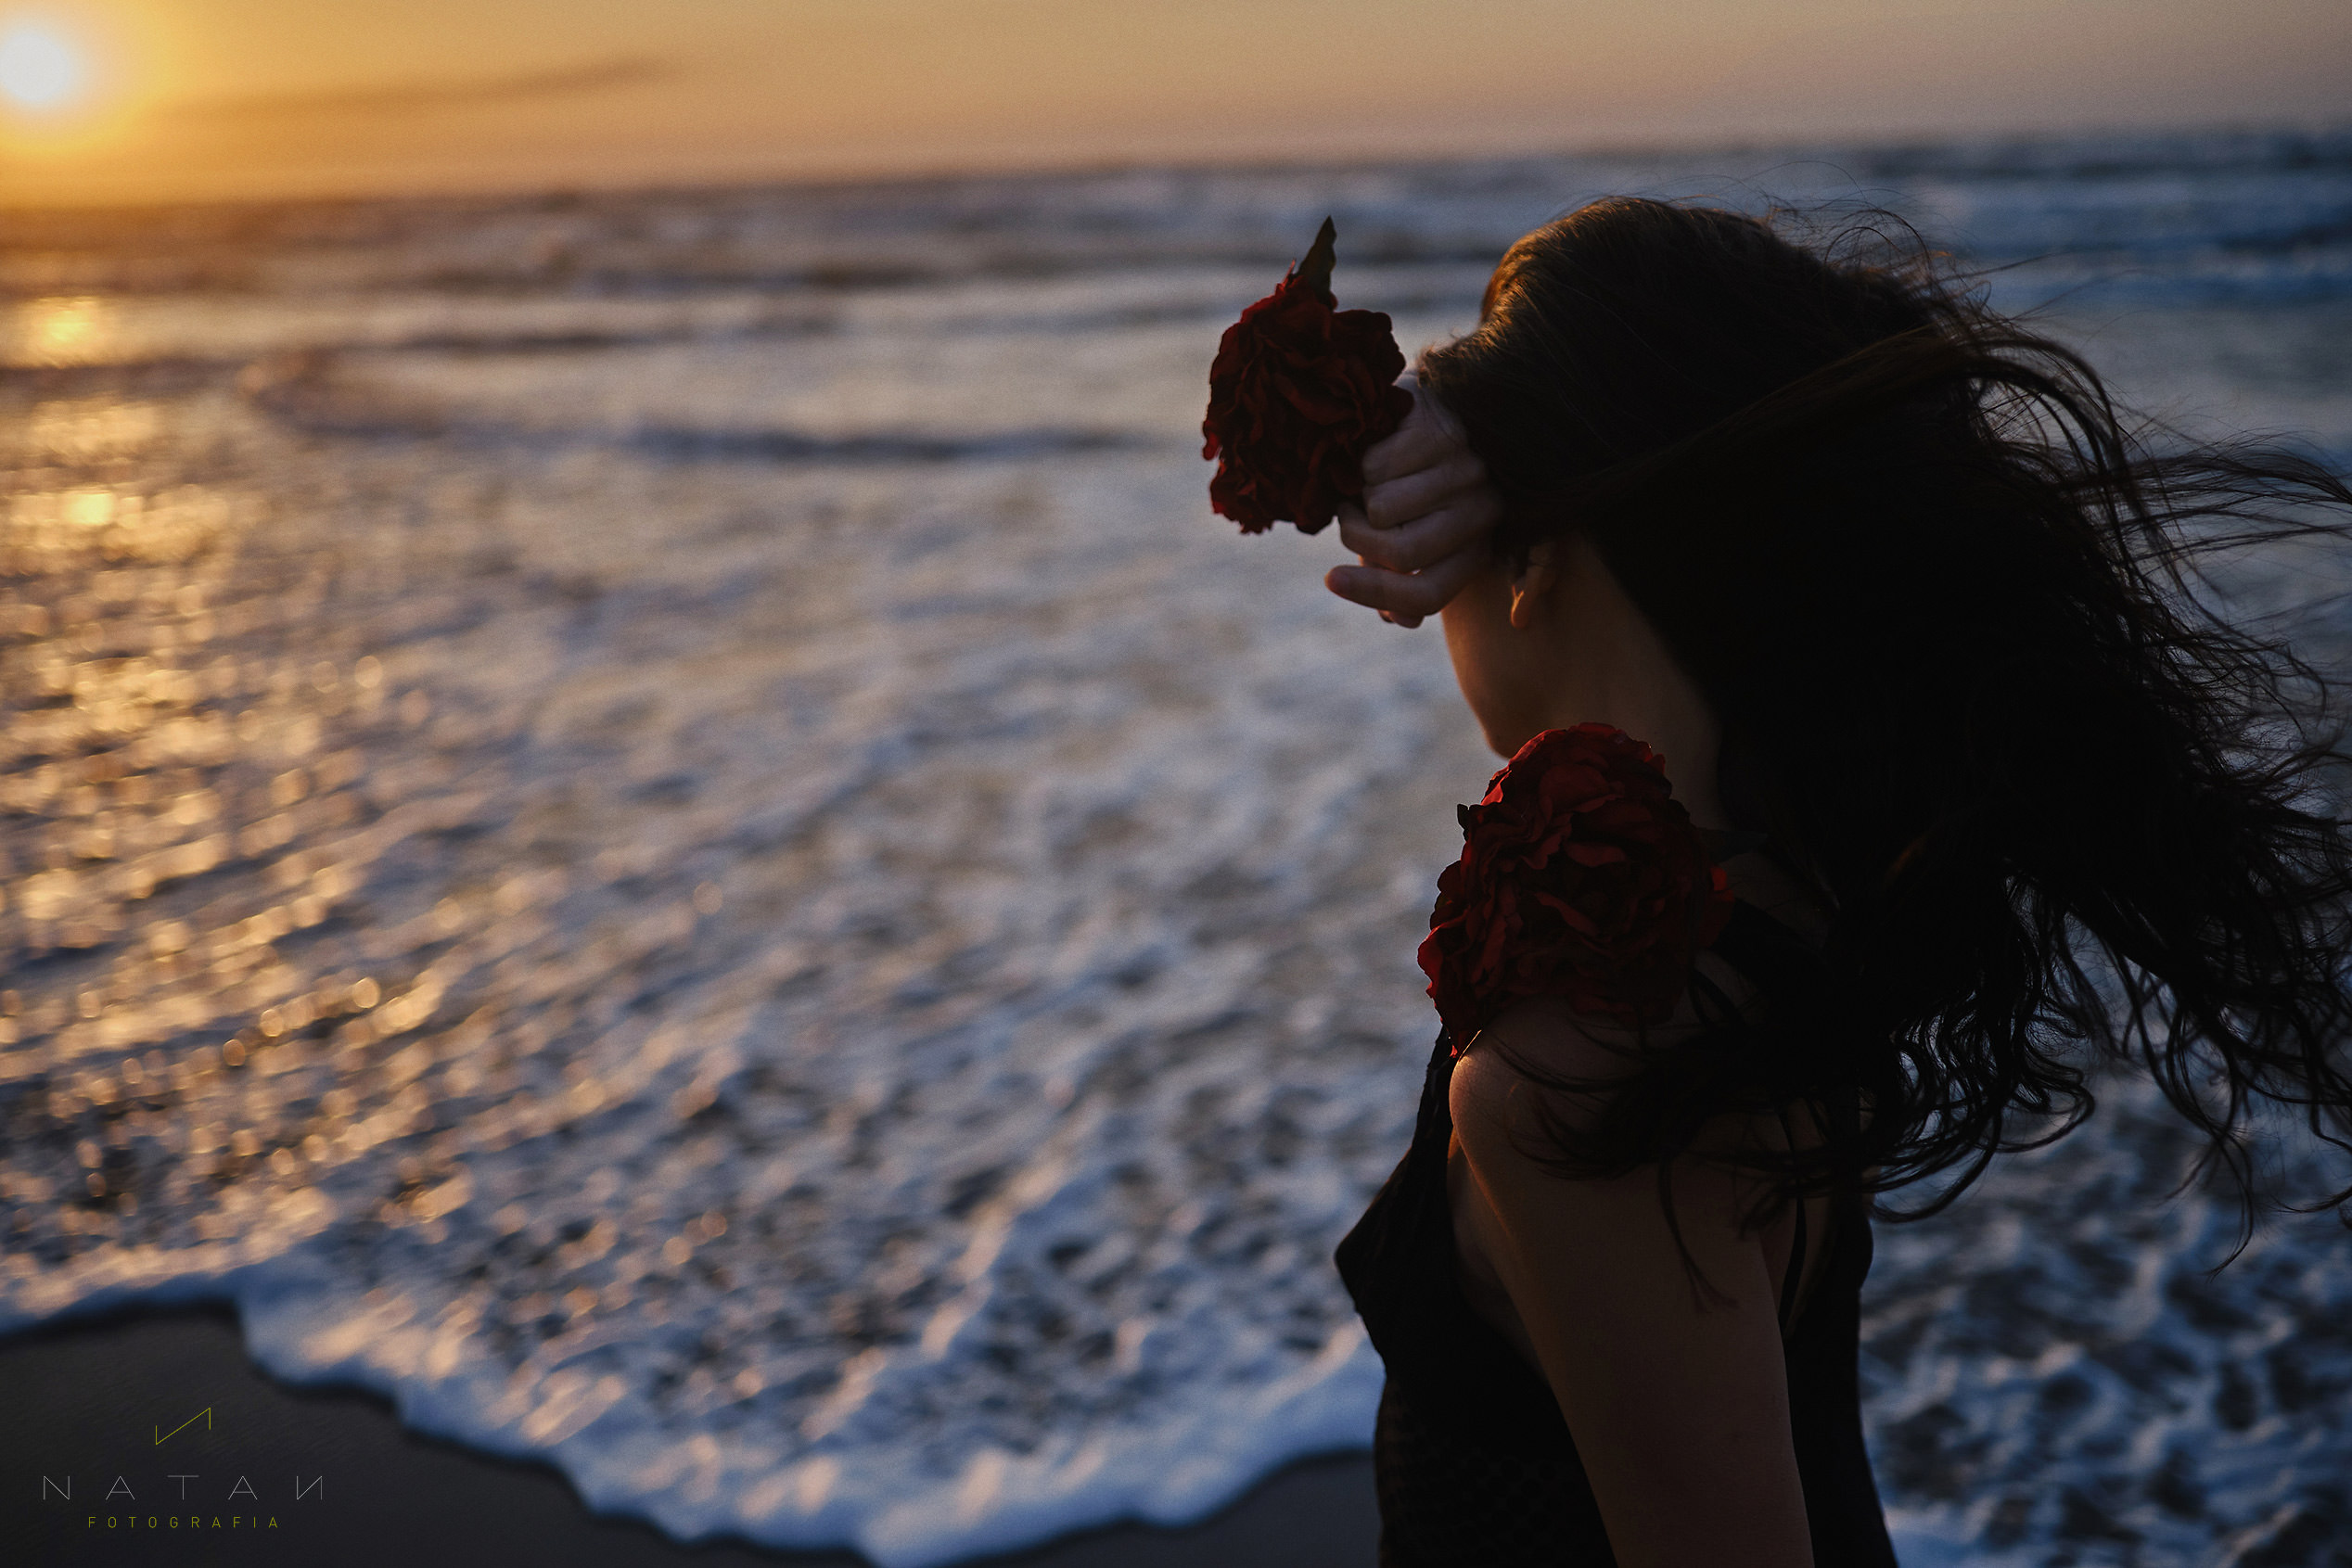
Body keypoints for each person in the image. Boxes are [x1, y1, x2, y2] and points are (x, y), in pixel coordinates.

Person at [1314, 197, 2352, 1567]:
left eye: (1465, 543)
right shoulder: (1786, 892)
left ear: (1537, 557)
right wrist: (1470, 420)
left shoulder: (1582, 1064)